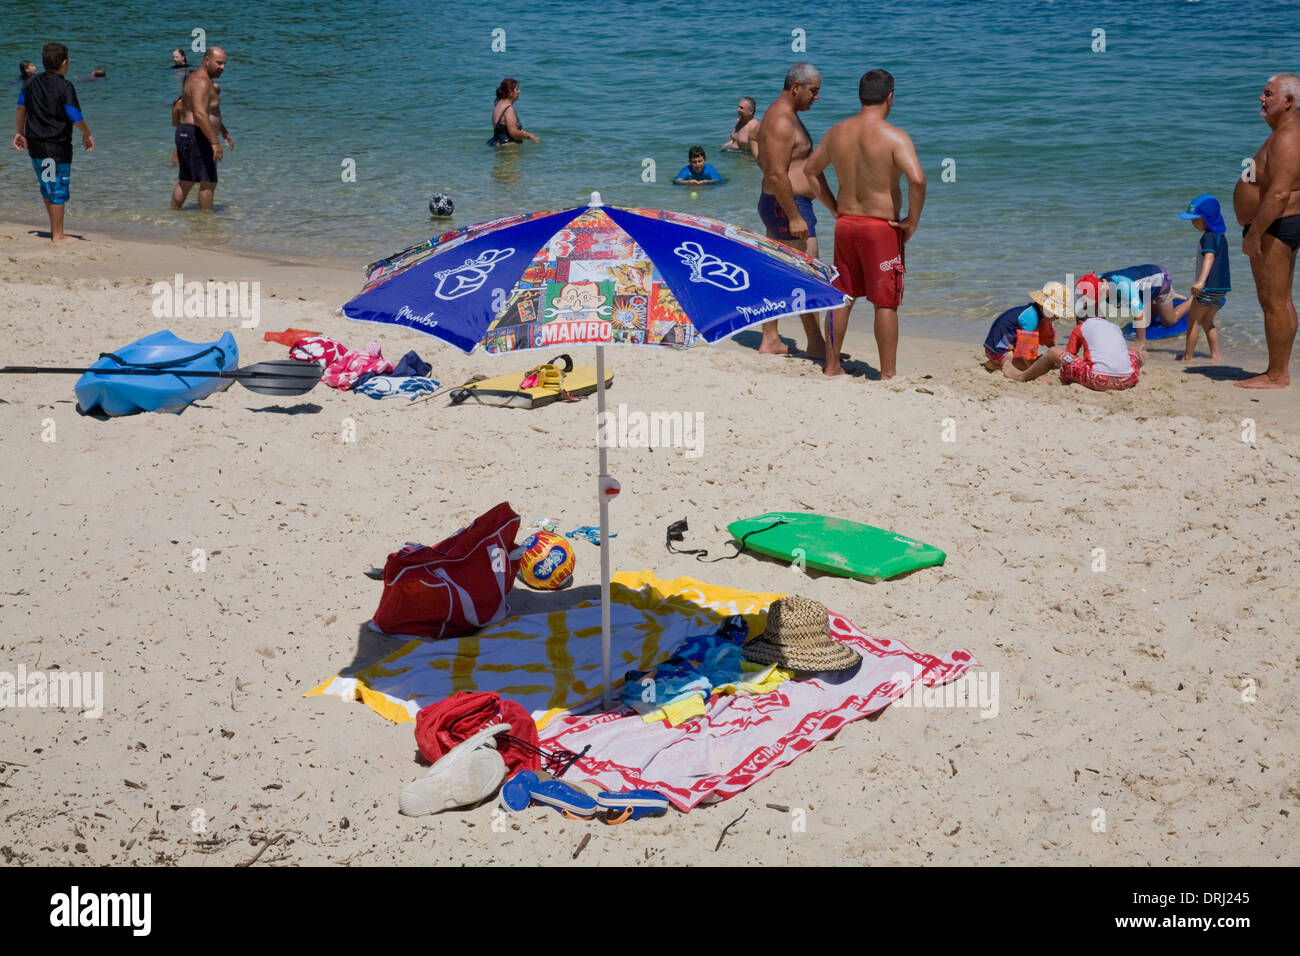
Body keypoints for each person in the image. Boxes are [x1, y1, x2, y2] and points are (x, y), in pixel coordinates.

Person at [805, 68, 924, 378]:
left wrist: (832, 207)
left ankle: (832, 366)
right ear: (890, 97)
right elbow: (917, 179)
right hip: (880, 229)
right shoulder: (895, 136)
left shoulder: (837, 132)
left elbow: (810, 170)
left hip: (846, 225)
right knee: (885, 303)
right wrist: (913, 220)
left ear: (861, 97)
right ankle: (887, 374)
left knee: (842, 296)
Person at [752, 62, 836, 357]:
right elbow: (776, 174)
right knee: (806, 275)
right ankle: (814, 344)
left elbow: (806, 169)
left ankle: (772, 338)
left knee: (781, 271)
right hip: (785, 206)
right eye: (814, 91)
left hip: (785, 205)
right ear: (795, 88)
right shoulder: (781, 121)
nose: (817, 97)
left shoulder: (786, 117)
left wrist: (834, 208)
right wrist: (794, 216)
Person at [1232, 73, 1300, 388]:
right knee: (1276, 299)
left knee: (1276, 301)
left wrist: (1255, 233)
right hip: (1276, 223)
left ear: (1288, 102)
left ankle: (1277, 375)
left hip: (1275, 225)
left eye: (1268, 94)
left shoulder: (1288, 137)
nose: (1261, 98)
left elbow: (1279, 194)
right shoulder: (1284, 133)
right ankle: (1277, 371)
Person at [12, 42, 94, 244]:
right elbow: (74, 115)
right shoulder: (65, 86)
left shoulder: (29, 83)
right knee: (56, 188)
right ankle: (58, 235)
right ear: (64, 63)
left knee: (47, 186)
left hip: (36, 144)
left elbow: (21, 107)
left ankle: (54, 229)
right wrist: (87, 133)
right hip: (55, 147)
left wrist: (19, 133)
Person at [172, 46, 231, 212]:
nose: (222, 67)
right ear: (206, 60)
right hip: (196, 134)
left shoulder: (196, 79)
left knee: (187, 180)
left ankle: (173, 214)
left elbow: (209, 112)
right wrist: (214, 143)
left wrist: (223, 131)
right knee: (208, 182)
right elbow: (200, 113)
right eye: (219, 63)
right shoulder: (201, 82)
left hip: (187, 132)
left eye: (224, 64)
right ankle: (206, 224)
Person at [1174, 194, 1230, 362]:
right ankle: (1216, 355)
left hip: (1207, 288)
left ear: (1208, 218)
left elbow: (1210, 258)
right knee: (1207, 321)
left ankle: (1187, 356)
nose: (1193, 223)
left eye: (1197, 219)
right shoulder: (1220, 236)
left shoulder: (1208, 237)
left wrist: (1201, 281)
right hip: (1221, 289)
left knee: (1192, 320)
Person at [1096, 263, 1184, 356]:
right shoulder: (1098, 281)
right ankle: (1170, 296)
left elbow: (1139, 316)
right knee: (1150, 317)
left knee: (1168, 321)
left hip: (1161, 279)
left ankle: (1192, 300)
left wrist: (1140, 343)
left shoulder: (1125, 286)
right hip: (1144, 286)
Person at [982, 282, 1065, 379]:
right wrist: (1036, 373)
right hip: (997, 351)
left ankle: (1002, 363)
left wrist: (1059, 357)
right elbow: (1026, 351)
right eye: (1056, 312)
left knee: (1037, 361)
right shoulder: (1031, 318)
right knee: (1026, 366)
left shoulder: (1039, 315)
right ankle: (995, 365)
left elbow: (1048, 341)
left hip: (1009, 347)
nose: (1058, 317)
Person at [488, 78, 539, 147]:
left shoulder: (498, 104)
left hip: (497, 143)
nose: (519, 92)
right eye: (517, 89)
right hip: (508, 148)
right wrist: (529, 135)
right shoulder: (508, 109)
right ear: (511, 93)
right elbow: (513, 133)